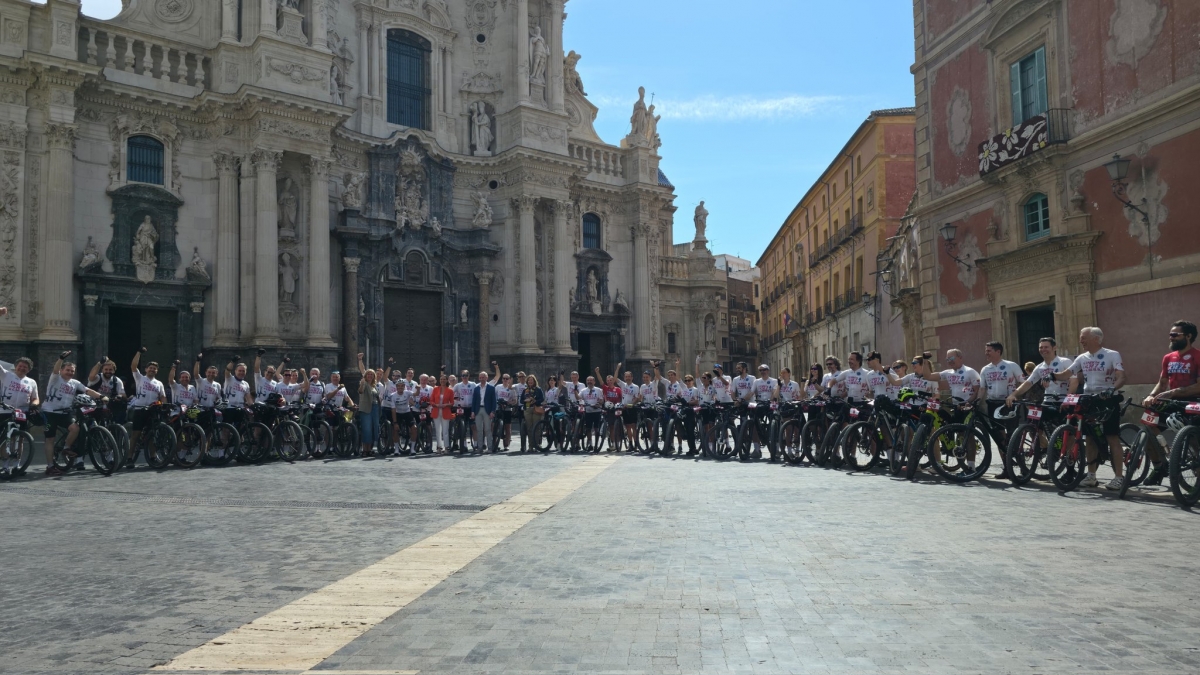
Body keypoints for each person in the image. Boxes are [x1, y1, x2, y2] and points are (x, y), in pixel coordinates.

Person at [1051, 327, 1126, 490]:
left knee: (1111, 436)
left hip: (1107, 398)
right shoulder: (1082, 357)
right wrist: (1052, 375)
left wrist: (1112, 389)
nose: (1081, 341)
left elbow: (1121, 377)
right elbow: (1066, 373)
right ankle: (1091, 475)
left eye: (1084, 338)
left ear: (1096, 339)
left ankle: (1119, 476)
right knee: (1090, 437)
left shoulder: (1112, 354)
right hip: (1088, 399)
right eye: (1081, 338)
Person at [1142, 320, 1200, 485]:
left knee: (1193, 440)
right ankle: (1160, 466)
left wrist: (1172, 392)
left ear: (1188, 336)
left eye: (1175, 335)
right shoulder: (1168, 357)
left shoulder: (1198, 356)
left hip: (1193, 402)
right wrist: (1151, 395)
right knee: (1147, 429)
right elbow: (1162, 383)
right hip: (1172, 401)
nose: (1171, 337)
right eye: (1170, 335)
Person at [42, 351, 104, 475]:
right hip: (49, 413)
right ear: (61, 370)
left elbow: (87, 390)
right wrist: (60, 359)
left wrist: (101, 396)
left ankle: (66, 448)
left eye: (72, 371)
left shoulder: (74, 383)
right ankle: (50, 467)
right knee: (50, 439)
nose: (70, 372)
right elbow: (55, 369)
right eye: (67, 370)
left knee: (75, 428)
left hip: (65, 413)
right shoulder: (55, 378)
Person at [921, 348, 982, 474]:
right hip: (956, 407)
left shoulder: (970, 372)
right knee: (956, 432)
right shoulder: (948, 373)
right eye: (947, 359)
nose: (949, 361)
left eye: (952, 358)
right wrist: (926, 361)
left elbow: (978, 390)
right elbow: (928, 376)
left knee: (967, 435)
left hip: (968, 407)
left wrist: (969, 403)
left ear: (960, 357)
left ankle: (971, 467)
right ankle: (955, 453)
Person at [128, 347, 167, 466]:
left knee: (152, 434)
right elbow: (133, 366)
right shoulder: (140, 378)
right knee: (136, 434)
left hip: (153, 411)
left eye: (154, 369)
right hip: (140, 409)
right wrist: (138, 352)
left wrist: (165, 406)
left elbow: (162, 396)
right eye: (150, 368)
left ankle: (153, 456)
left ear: (157, 371)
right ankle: (129, 458)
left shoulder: (159, 383)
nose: (152, 370)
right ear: (146, 369)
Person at [471, 362, 501, 453]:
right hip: (478, 410)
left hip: (487, 410)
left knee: (488, 429)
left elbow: (493, 401)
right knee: (479, 429)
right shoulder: (476, 388)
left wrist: (493, 411)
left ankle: (490, 447)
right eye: (480, 377)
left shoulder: (491, 388)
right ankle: (480, 448)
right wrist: (472, 411)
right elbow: (474, 401)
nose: (481, 379)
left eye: (483, 377)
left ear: (487, 378)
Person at [223, 355, 255, 431]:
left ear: (246, 372)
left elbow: (248, 398)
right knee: (226, 430)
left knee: (239, 430)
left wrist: (253, 406)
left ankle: (237, 442)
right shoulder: (229, 378)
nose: (241, 372)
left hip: (240, 408)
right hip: (229, 408)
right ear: (235, 371)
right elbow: (227, 370)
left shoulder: (246, 384)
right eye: (239, 370)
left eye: (243, 371)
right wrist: (232, 362)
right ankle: (225, 443)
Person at [357, 360, 381, 457]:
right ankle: (364, 449)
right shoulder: (364, 383)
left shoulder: (374, 386)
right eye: (368, 374)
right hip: (366, 408)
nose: (370, 376)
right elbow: (360, 391)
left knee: (373, 428)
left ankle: (369, 448)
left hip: (375, 408)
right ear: (366, 376)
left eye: (372, 374)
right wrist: (360, 360)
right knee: (366, 428)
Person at [430, 372, 454, 453]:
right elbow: (431, 401)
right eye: (441, 379)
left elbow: (452, 403)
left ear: (447, 380)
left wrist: (446, 404)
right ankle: (439, 447)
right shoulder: (435, 389)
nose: (442, 381)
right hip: (436, 411)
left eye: (444, 379)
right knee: (438, 430)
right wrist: (435, 404)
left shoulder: (450, 390)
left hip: (445, 411)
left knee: (445, 430)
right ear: (439, 381)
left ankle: (446, 446)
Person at [520, 374, 544, 452]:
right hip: (527, 409)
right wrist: (525, 400)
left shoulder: (538, 389)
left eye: (532, 380)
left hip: (536, 408)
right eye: (529, 380)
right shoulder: (525, 390)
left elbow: (542, 399)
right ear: (527, 382)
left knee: (536, 428)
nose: (530, 381)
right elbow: (521, 400)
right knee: (529, 428)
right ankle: (530, 446)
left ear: (534, 381)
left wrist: (535, 401)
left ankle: (536, 445)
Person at [579, 375, 604, 450]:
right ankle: (590, 443)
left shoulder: (598, 390)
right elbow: (579, 398)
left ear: (594, 382)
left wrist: (598, 404)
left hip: (597, 411)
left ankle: (596, 443)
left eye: (591, 380)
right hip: (588, 411)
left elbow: (601, 400)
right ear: (586, 382)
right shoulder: (583, 391)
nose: (589, 382)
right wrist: (575, 393)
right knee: (588, 428)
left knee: (596, 428)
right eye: (588, 381)